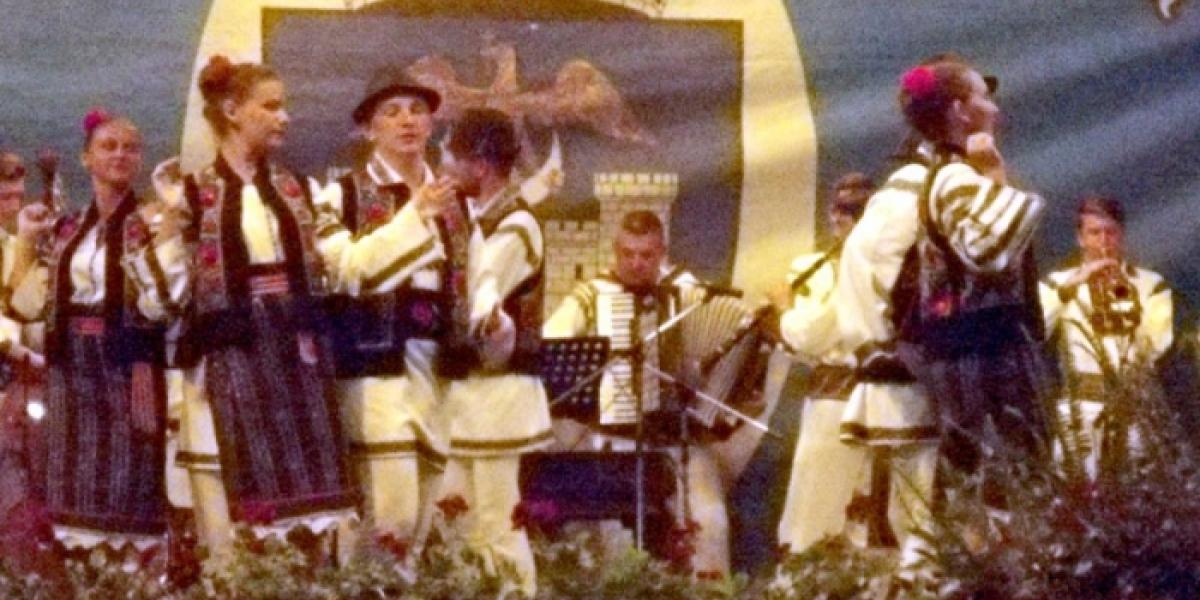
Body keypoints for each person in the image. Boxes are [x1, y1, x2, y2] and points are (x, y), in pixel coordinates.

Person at [127, 56, 360, 556]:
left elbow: (346, 264)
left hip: (297, 372)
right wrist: (168, 233)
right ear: (232, 111)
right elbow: (156, 303)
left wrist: (410, 226)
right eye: (270, 106)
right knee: (230, 534)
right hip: (227, 372)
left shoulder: (299, 190)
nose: (284, 117)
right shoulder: (191, 197)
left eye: (284, 106)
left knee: (305, 528)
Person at [834, 54, 1048, 574]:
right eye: (983, 97)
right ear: (959, 111)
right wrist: (1005, 185)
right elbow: (989, 250)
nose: (994, 107)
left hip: (976, 360)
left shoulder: (949, 178)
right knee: (978, 497)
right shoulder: (947, 180)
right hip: (976, 363)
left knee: (985, 496)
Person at [312, 66, 458, 547]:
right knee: (387, 519)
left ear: (432, 124)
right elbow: (347, 271)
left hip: (436, 371)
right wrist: (415, 216)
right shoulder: (339, 196)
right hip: (373, 372)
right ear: (368, 127)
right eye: (391, 112)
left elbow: (470, 280)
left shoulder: (455, 201)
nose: (407, 121)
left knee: (424, 524)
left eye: (417, 110)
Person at [13, 111, 168, 553]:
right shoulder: (68, 229)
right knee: (72, 486)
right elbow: (27, 303)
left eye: (130, 148)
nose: (120, 154)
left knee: (128, 484)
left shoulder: (152, 223)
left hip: (126, 367)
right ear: (86, 158)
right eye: (108, 146)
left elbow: (166, 300)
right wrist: (25, 240)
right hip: (71, 370)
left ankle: (132, 574)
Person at [439, 109, 550, 597]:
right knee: (457, 522)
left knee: (499, 525)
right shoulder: (478, 221)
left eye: (452, 157)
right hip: (468, 398)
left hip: (499, 396)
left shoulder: (517, 225)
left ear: (480, 166)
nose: (444, 167)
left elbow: (478, 295)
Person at [774, 172, 873, 554]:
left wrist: (785, 313)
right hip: (831, 401)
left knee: (861, 511)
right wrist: (792, 325)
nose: (839, 217)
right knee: (816, 510)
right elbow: (802, 347)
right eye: (837, 208)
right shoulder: (812, 267)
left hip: (867, 400)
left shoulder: (873, 267)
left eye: (852, 210)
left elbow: (811, 333)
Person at [1039, 196, 1172, 476]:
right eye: (1094, 233)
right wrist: (1070, 289)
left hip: (1133, 406)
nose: (1103, 241)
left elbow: (1157, 344)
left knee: (1138, 484)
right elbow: (1037, 330)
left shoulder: (1151, 284)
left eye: (1110, 232)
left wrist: (1123, 297)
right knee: (1079, 486)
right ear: (1080, 238)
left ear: (1121, 235)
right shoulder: (1057, 283)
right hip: (1080, 407)